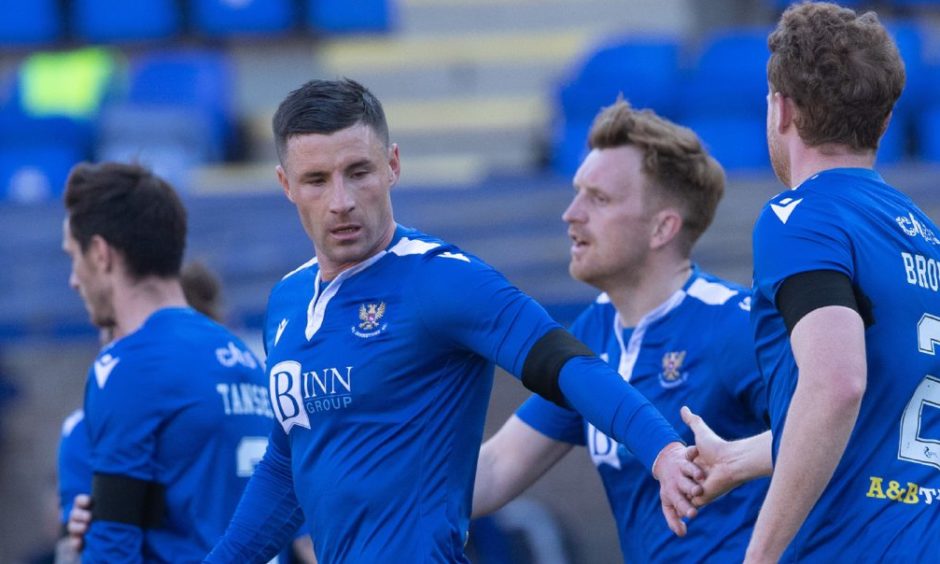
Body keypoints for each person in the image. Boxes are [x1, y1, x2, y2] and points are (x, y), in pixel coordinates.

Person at [206, 78, 704, 562]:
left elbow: (564, 362)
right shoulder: (287, 302)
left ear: (393, 165)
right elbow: (287, 460)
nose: (342, 201)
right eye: (316, 180)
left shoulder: (440, 279)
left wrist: (661, 450)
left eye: (359, 171)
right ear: (285, 185)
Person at [685, 2, 940, 561]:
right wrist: (741, 459)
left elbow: (835, 386)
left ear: (782, 109)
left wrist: (759, 555)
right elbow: (881, 407)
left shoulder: (798, 218)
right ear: (885, 119)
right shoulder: (927, 236)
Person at [472, 99, 770, 561]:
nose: (572, 213)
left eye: (600, 198)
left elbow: (837, 427)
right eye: (576, 192)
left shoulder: (734, 323)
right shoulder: (593, 330)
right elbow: (495, 469)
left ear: (662, 228)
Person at [61, 162, 275, 561]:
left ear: (102, 254)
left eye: (74, 256)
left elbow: (112, 544)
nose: (74, 279)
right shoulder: (241, 355)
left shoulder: (128, 366)